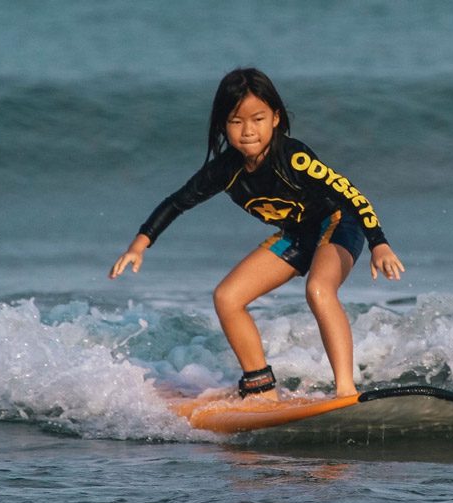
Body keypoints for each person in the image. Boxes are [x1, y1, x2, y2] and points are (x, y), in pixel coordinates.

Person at [109, 68, 405, 400]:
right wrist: (140, 243)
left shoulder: (295, 157)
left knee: (319, 290)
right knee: (227, 297)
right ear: (223, 124)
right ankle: (261, 388)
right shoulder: (225, 170)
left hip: (338, 223)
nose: (248, 130)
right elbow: (177, 202)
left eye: (258, 119)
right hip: (297, 234)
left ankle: (346, 391)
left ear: (275, 118)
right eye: (237, 121)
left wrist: (379, 243)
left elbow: (350, 193)